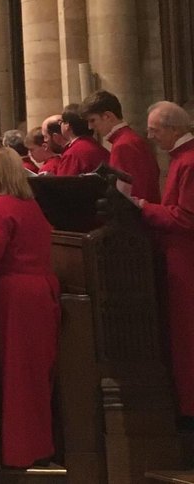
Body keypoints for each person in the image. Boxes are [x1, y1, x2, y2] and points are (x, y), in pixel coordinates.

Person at [0, 148, 60, 467]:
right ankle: (38, 446)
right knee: (36, 372)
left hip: (17, 296)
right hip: (41, 290)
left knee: (19, 374)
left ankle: (21, 450)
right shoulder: (30, 204)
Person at [132, 101, 194, 423]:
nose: (151, 136)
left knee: (189, 340)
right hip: (180, 259)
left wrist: (144, 207)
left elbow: (186, 218)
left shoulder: (189, 162)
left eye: (155, 130)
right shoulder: (181, 159)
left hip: (187, 263)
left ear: (173, 129)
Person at [80, 90, 160, 203]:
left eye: (93, 120)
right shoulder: (129, 138)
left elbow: (130, 194)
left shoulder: (123, 145)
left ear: (108, 116)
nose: (90, 127)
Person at [52, 105, 109, 176]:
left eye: (61, 122)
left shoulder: (72, 154)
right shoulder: (98, 147)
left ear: (67, 126)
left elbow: (63, 184)